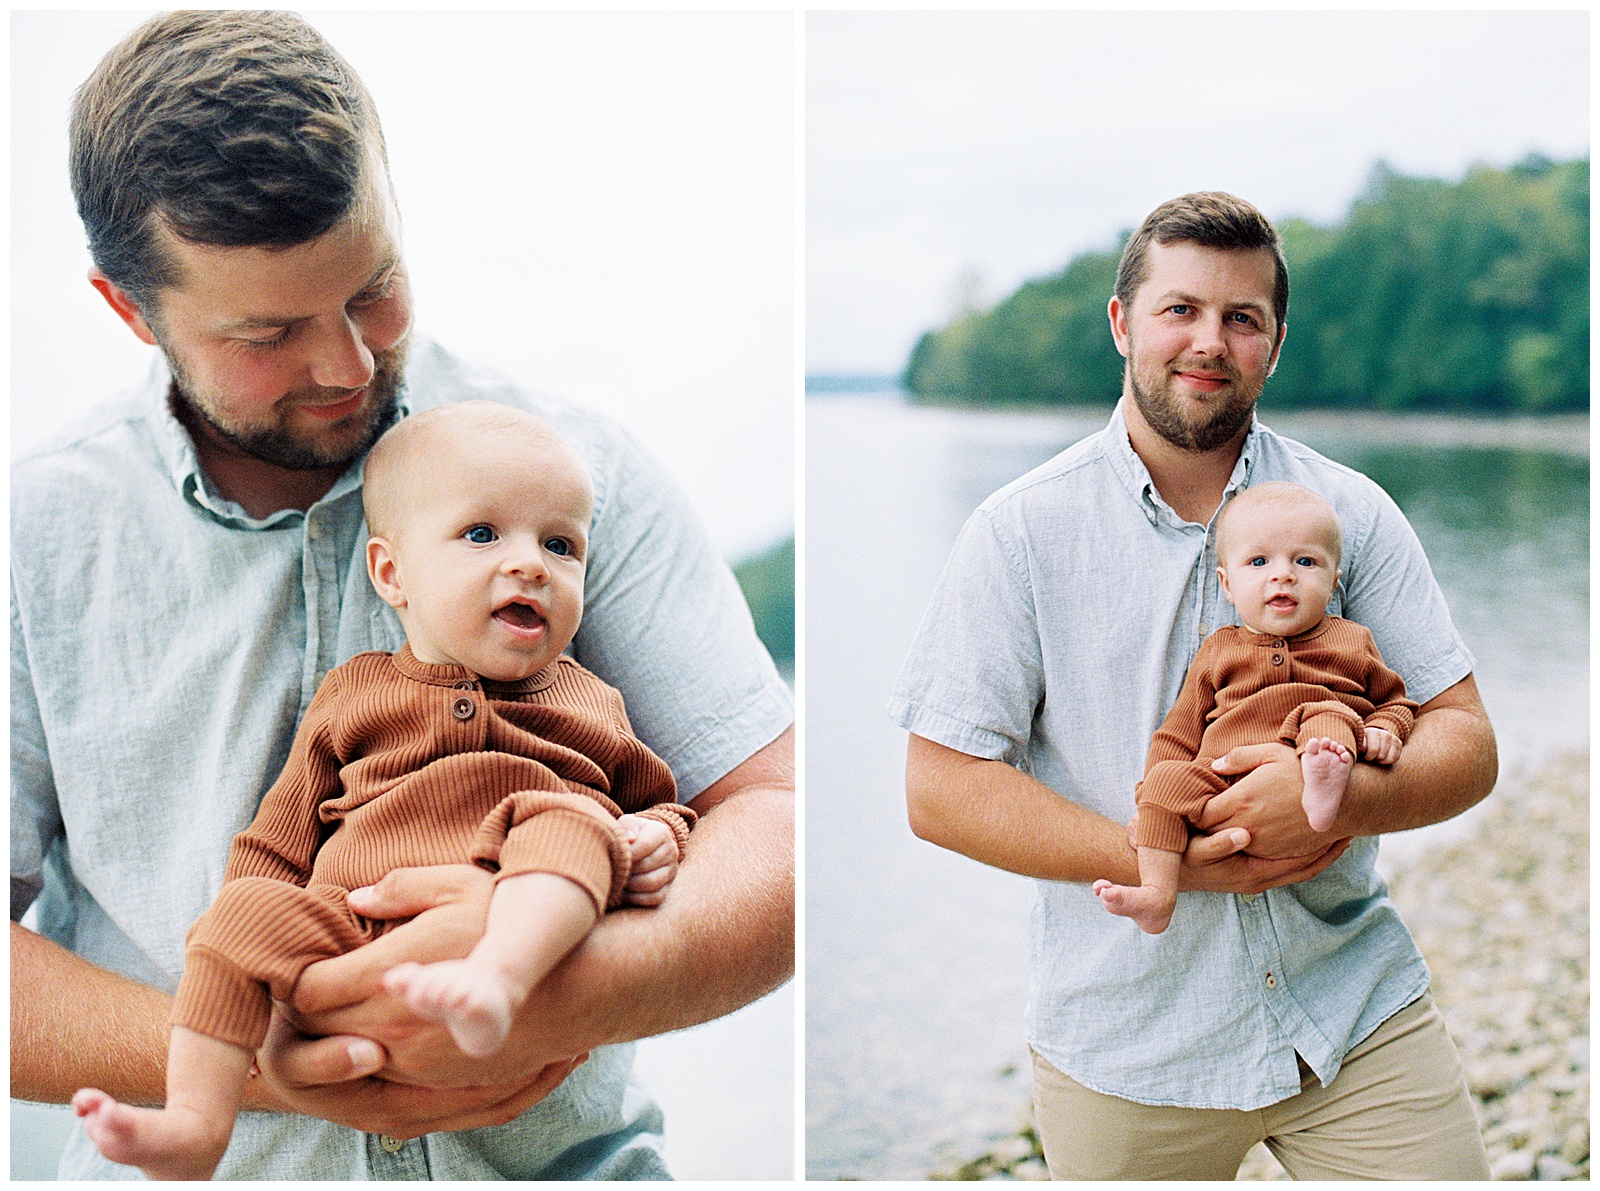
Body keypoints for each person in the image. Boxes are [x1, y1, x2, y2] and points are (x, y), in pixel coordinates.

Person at [12, 11, 794, 1180]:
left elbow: (772, 816)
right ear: (131, 312)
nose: (348, 365)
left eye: (373, 288)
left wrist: (559, 988)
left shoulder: (572, 476)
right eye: (268, 332)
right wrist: (268, 1060)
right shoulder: (35, 538)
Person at [889, 192, 1496, 1179]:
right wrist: (1170, 857)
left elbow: (1465, 740)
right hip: (1126, 1048)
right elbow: (940, 788)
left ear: (1274, 343)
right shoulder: (1019, 532)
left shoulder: (1353, 513)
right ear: (1123, 323)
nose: (1208, 341)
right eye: (1180, 310)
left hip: (1355, 1018)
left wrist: (1346, 803)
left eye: (1240, 318)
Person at [71, 403, 699, 1179]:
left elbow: (660, 800)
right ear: (391, 573)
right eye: (482, 535)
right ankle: (198, 1119)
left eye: (561, 544)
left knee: (569, 819)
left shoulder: (588, 699)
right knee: (237, 917)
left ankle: (495, 979)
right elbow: (278, 839)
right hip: (347, 919)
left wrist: (660, 836)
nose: (531, 562)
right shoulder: (355, 694)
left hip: (510, 899)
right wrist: (256, 931)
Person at [1092, 482, 1417, 935]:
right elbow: (1179, 731)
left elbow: (1397, 702)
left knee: (1326, 716)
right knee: (1165, 781)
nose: (1282, 575)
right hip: (1219, 776)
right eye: (1259, 562)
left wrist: (1384, 730)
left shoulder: (1352, 639)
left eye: (1305, 562)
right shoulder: (1219, 650)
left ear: (1333, 580)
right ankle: (1157, 894)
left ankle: (1323, 788)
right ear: (1227, 583)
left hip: (1314, 746)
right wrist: (1154, 797)